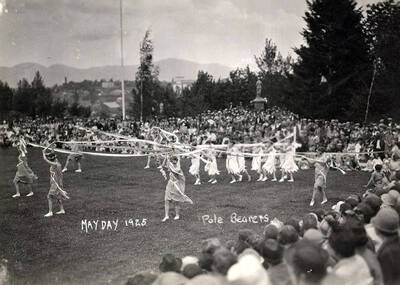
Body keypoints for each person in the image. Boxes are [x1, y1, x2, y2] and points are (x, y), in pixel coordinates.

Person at [160, 156, 193, 222]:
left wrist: (168, 163)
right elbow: (163, 165)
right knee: (166, 200)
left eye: (175, 160)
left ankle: (177, 215)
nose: (173, 162)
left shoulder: (178, 169)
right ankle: (166, 216)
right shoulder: (171, 166)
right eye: (172, 160)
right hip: (170, 184)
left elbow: (174, 172)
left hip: (176, 185)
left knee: (176, 201)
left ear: (177, 161)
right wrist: (166, 158)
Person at [42, 147, 70, 217]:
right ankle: (62, 210)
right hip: (58, 182)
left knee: (49, 197)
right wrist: (52, 148)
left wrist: (43, 153)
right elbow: (52, 155)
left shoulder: (54, 164)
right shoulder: (57, 162)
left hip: (55, 183)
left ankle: (50, 212)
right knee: (58, 196)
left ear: (51, 159)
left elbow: (45, 159)